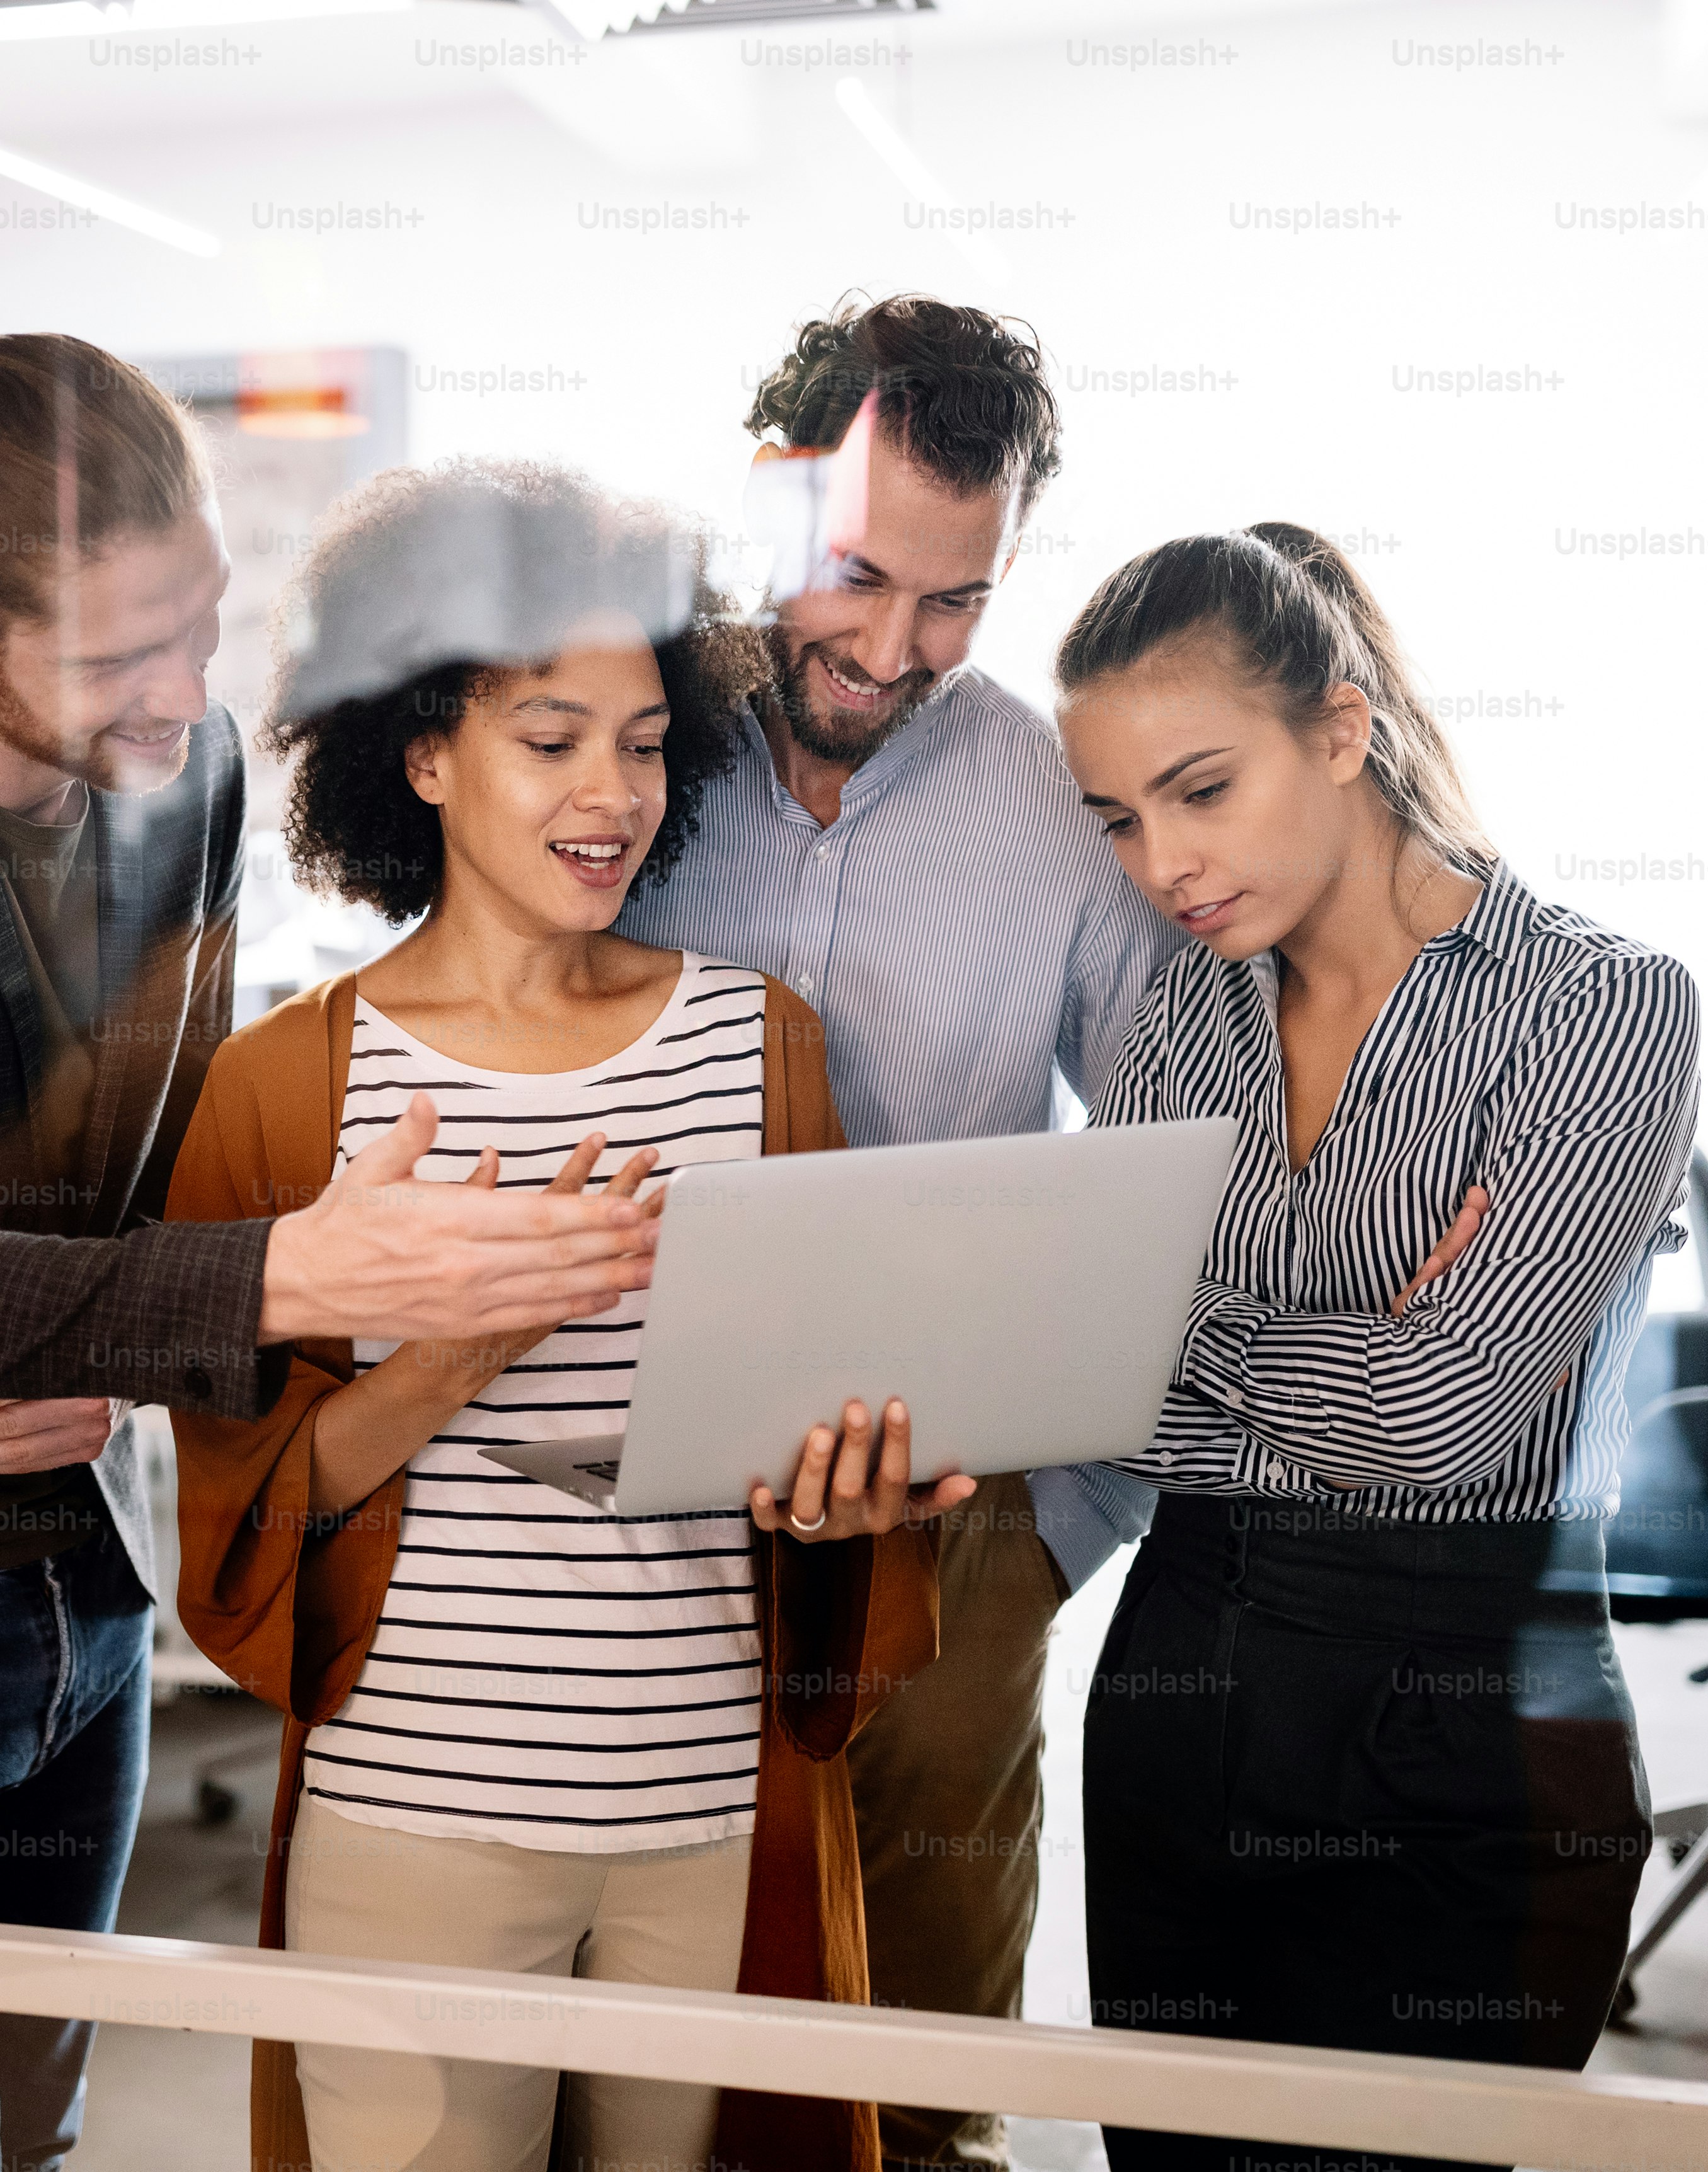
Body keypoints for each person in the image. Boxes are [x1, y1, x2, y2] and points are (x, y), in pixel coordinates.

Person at [0, 337, 665, 2172]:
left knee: (44, 2140)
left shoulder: (194, 774)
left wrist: (126, 1349)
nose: (184, 694)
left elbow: (144, 1168)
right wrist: (282, 1282)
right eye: (114, 657)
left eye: (201, 624)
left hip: (78, 1578)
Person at [166, 458, 973, 2172]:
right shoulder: (280, 1088)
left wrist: (850, 1491)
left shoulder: (760, 1044)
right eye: (549, 741)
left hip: (705, 1819)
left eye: (642, 739)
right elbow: (251, 1518)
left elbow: (808, 1451)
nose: (608, 792)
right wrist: (465, 1339)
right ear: (423, 752)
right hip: (415, 1832)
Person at [614, 291, 1181, 2168]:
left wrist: (1056, 1526)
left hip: (951, 1530)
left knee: (923, 2089)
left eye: (955, 600)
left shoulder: (1052, 801)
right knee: (639, 2074)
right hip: (635, 1515)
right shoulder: (619, 745)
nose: (891, 645)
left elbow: (1166, 1158)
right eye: (854, 577)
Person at [1055, 522, 1697, 2172]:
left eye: (1201, 791)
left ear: (1339, 732)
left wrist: (1164, 1323)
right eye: (1117, 819)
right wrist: (1361, 1345)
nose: (1159, 863)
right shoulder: (1173, 1019)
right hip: (1180, 1685)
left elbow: (1431, 1421)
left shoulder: (1598, 1007)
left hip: (1466, 1716)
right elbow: (1098, 1398)